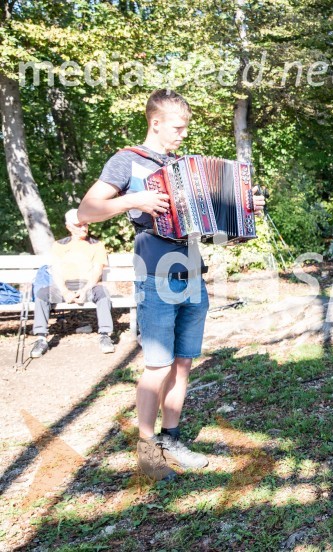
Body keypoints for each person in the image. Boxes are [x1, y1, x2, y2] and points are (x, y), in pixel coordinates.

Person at [78, 89, 265, 481]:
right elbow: (87, 211)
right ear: (156, 122)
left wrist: (246, 209)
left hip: (193, 274)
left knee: (182, 364)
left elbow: (216, 231)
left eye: (185, 128)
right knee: (157, 366)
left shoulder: (184, 167)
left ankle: (171, 438)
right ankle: (148, 453)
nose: (183, 134)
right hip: (155, 276)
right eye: (178, 128)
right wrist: (134, 201)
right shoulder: (127, 161)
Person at [29, 208, 115, 358]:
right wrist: (64, 291)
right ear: (68, 226)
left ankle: (105, 335)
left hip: (88, 286)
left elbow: (97, 271)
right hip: (64, 287)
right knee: (42, 294)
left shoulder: (97, 245)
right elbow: (56, 271)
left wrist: (85, 290)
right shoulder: (59, 245)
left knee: (102, 293)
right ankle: (41, 338)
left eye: (85, 224)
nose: (84, 228)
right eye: (78, 225)